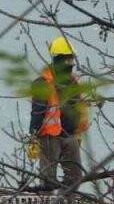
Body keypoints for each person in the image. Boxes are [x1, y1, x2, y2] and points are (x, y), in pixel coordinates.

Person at [26, 36, 90, 188]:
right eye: (68, 59)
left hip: (70, 136)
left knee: (74, 178)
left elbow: (79, 107)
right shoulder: (42, 84)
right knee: (48, 180)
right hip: (50, 138)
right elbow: (37, 112)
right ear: (58, 59)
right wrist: (33, 136)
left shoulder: (73, 82)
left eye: (72, 59)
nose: (71, 63)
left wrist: (79, 131)